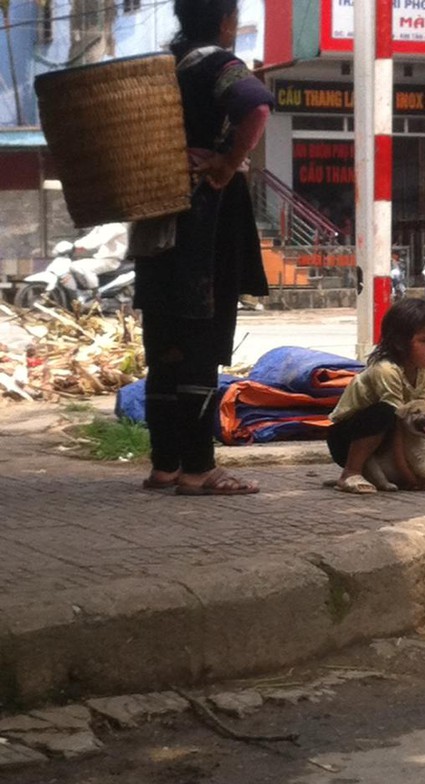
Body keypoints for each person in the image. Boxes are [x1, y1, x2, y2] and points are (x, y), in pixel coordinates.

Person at [132, 0, 274, 495]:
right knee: (199, 338)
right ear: (225, 21)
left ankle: (164, 466)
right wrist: (229, 159)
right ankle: (198, 470)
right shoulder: (217, 63)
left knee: (164, 343)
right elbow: (256, 104)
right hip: (203, 221)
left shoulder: (160, 66)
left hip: (154, 211)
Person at [326, 298, 425, 494]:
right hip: (348, 438)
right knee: (385, 413)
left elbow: (417, 413)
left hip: (388, 437)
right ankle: (351, 472)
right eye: (424, 341)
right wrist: (406, 473)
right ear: (400, 342)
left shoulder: (423, 372)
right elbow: (397, 421)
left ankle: (402, 472)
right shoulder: (386, 370)